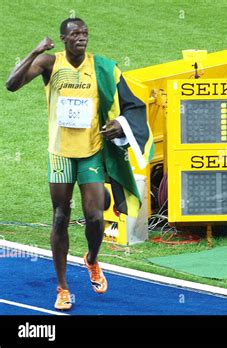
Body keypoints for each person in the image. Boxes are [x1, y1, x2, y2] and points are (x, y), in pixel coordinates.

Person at [6, 18, 153, 310]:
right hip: (61, 154)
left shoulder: (103, 68)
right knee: (60, 216)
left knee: (96, 216)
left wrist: (122, 126)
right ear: (63, 38)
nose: (81, 38)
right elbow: (12, 84)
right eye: (74, 34)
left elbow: (133, 104)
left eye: (85, 33)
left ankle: (92, 259)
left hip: (92, 152)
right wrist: (35, 51)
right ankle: (62, 287)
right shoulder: (50, 63)